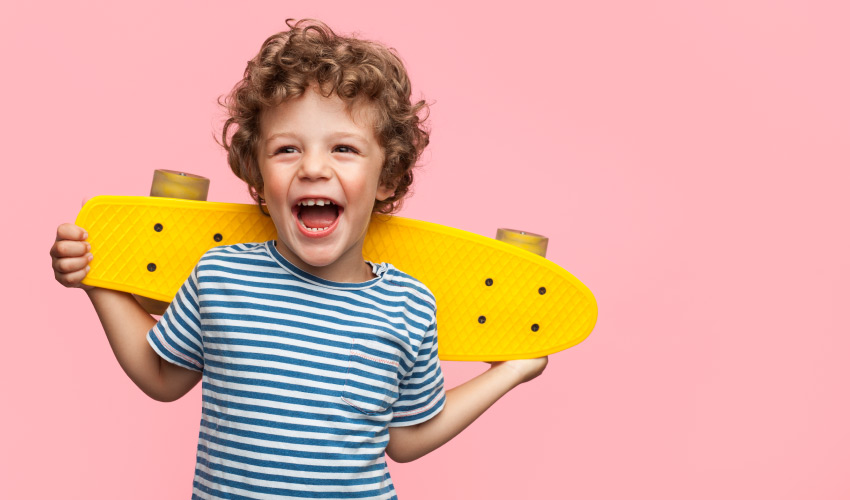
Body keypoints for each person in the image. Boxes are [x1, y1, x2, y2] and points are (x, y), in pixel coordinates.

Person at [50, 19, 547, 499]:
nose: (312, 168)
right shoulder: (222, 275)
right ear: (257, 174)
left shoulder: (409, 305)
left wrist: (508, 372)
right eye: (287, 149)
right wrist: (99, 280)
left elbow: (406, 439)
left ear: (388, 176)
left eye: (344, 149)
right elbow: (161, 377)